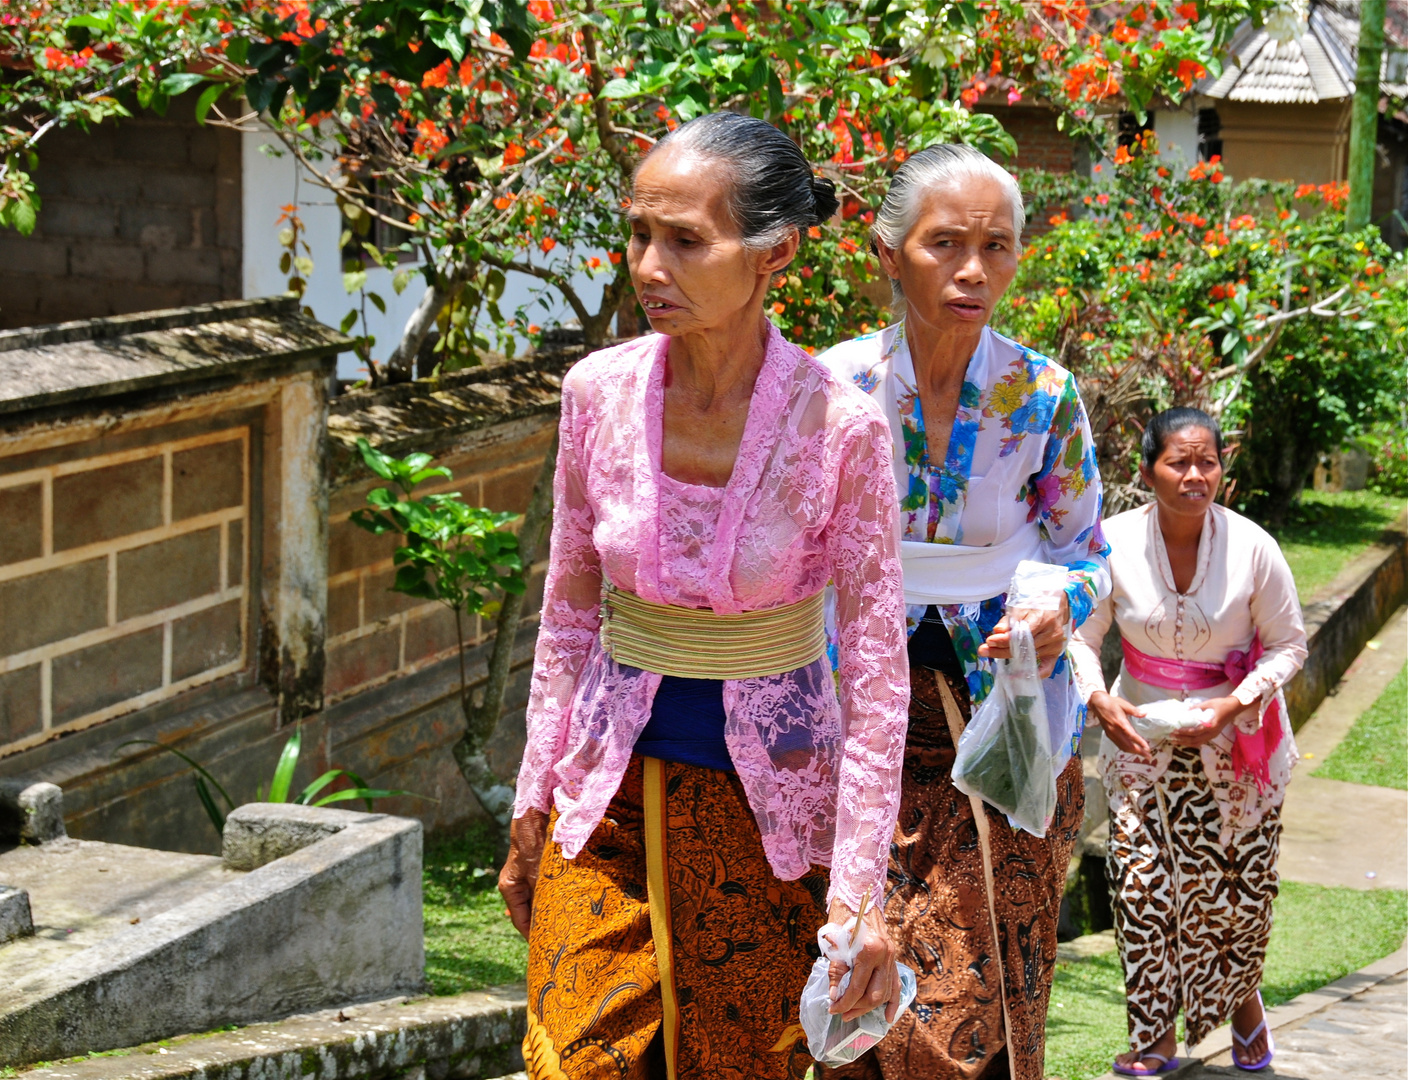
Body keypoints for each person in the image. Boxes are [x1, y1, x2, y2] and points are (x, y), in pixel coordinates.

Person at [496, 111, 911, 1080]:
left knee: (736, 1065)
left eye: (685, 240)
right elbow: (566, 614)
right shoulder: (594, 394)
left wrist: (858, 890)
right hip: (600, 798)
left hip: (768, 815)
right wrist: (532, 795)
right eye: (639, 233)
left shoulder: (839, 430)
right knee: (577, 1061)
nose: (648, 264)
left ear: (774, 255)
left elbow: (879, 675)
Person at [817, 144, 1111, 1080]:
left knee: (965, 1016)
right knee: (855, 997)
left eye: (999, 245)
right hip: (858, 732)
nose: (975, 269)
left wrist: (1059, 610)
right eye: (946, 243)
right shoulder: (832, 390)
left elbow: (1088, 552)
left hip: (1005, 733)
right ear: (887, 252)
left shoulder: (1044, 396)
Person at [1068, 408, 1307, 1076]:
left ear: (1222, 469)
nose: (1195, 475)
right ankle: (1155, 1040)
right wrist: (1098, 700)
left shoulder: (1255, 547)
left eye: (1208, 461)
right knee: (1141, 888)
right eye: (1179, 461)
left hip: (1236, 748)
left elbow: (1290, 645)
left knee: (1228, 894)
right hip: (1139, 741)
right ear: (1147, 470)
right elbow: (1080, 638)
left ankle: (1244, 1009)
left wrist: (1233, 705)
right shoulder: (1109, 543)